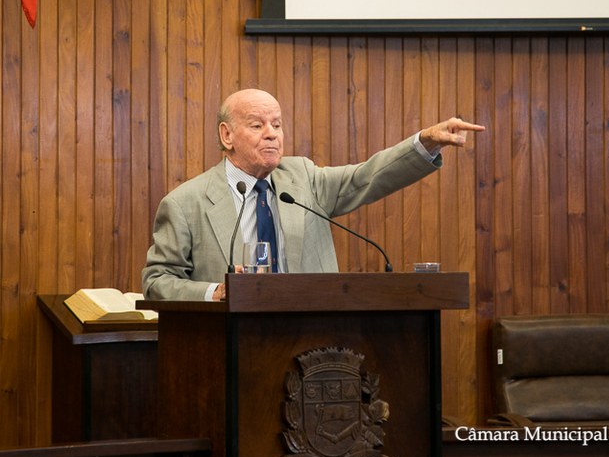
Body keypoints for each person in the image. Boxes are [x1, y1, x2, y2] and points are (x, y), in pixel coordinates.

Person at [142, 88, 484, 301]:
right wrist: (214, 292)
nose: (272, 134)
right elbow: (157, 281)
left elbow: (367, 177)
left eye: (277, 124)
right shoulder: (185, 203)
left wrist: (424, 143)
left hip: (313, 343)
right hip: (230, 342)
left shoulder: (303, 179)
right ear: (226, 135)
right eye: (257, 125)